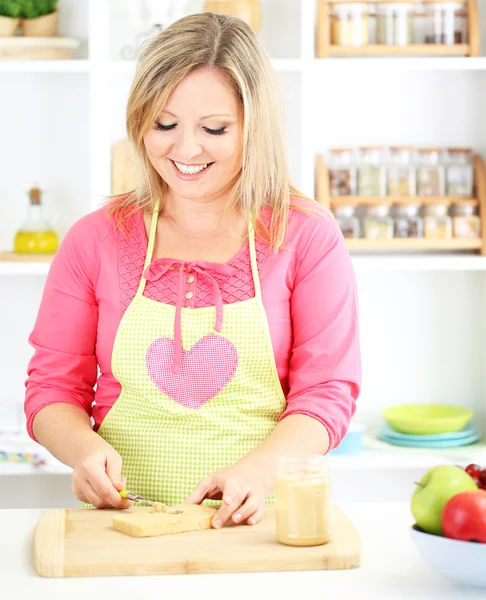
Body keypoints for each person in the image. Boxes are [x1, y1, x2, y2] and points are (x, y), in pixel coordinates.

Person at [24, 12, 361, 530]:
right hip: (121, 526)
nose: (184, 149)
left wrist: (262, 469)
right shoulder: (93, 239)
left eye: (214, 128)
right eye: (164, 124)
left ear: (255, 126)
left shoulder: (306, 236)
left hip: (262, 523)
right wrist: (83, 450)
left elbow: (328, 390)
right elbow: (52, 390)